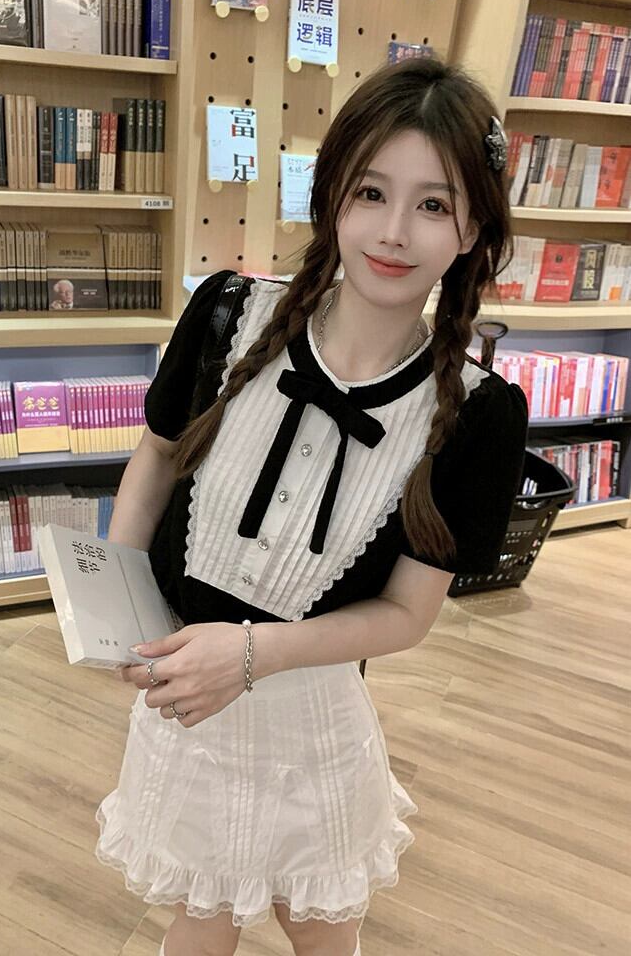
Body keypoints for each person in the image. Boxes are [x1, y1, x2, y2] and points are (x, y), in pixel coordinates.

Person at [95, 57, 529, 956]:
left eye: (434, 204)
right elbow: (156, 457)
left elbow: (409, 614)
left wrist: (253, 653)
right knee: (199, 913)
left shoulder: (479, 415)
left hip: (314, 712)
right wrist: (122, 612)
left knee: (322, 923)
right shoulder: (226, 315)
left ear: (474, 228)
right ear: (332, 193)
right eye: (371, 191)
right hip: (185, 698)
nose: (394, 231)